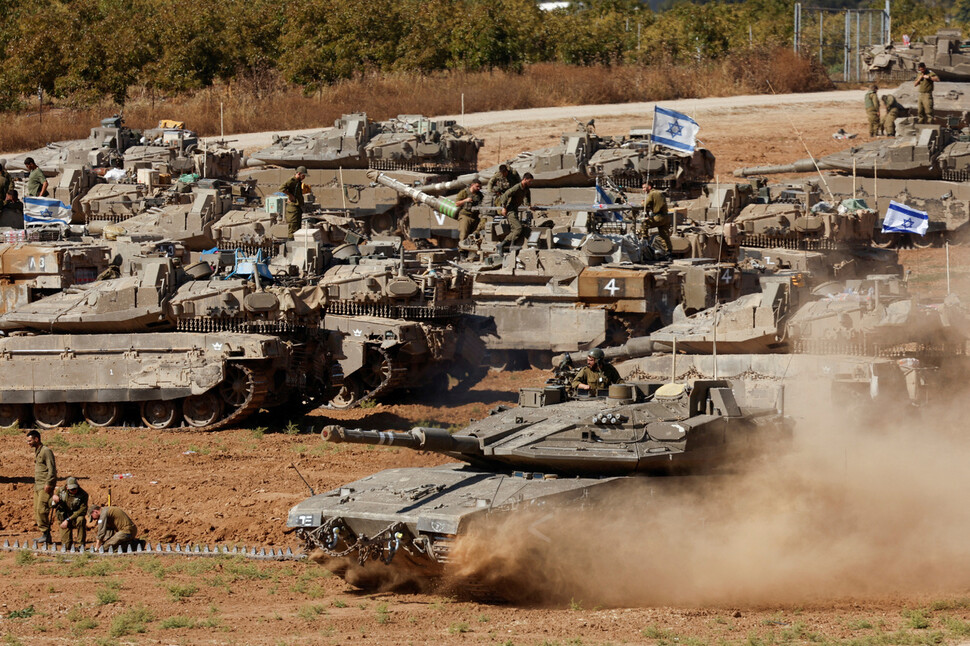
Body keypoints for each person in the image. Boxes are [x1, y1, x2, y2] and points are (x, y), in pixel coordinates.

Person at [27, 430, 56, 544]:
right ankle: (45, 534)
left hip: (45, 486)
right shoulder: (38, 451)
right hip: (38, 486)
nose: (28, 443)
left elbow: (52, 469)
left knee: (42, 510)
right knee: (36, 510)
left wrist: (49, 483)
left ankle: (46, 534)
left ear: (36, 439)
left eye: (29, 440)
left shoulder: (46, 451)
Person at [496, 172, 534, 253]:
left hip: (515, 209)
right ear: (525, 179)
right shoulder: (517, 187)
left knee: (514, 229)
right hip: (510, 209)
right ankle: (504, 244)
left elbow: (527, 196)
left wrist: (529, 205)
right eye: (529, 181)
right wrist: (504, 207)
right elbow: (505, 195)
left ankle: (509, 246)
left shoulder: (526, 189)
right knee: (518, 228)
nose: (531, 183)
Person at [51, 477, 88, 549]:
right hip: (63, 518)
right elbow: (51, 505)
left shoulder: (83, 494)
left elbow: (82, 510)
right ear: (67, 487)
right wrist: (54, 500)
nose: (74, 490)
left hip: (74, 518)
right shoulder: (60, 491)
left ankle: (81, 545)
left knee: (81, 519)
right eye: (72, 489)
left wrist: (68, 519)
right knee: (66, 546)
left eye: (75, 488)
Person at [641, 181, 672, 255]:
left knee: (644, 224)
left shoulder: (651, 194)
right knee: (664, 236)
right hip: (665, 217)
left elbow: (644, 205)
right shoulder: (659, 193)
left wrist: (642, 202)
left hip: (658, 217)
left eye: (644, 187)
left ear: (649, 187)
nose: (643, 189)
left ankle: (645, 241)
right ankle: (669, 252)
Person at [279, 166, 307, 238]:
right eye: (303, 176)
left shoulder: (298, 182)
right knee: (293, 229)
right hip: (292, 209)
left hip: (297, 207)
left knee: (298, 228)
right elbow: (281, 188)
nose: (304, 177)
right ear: (299, 173)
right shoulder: (292, 180)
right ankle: (290, 246)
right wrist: (290, 195)